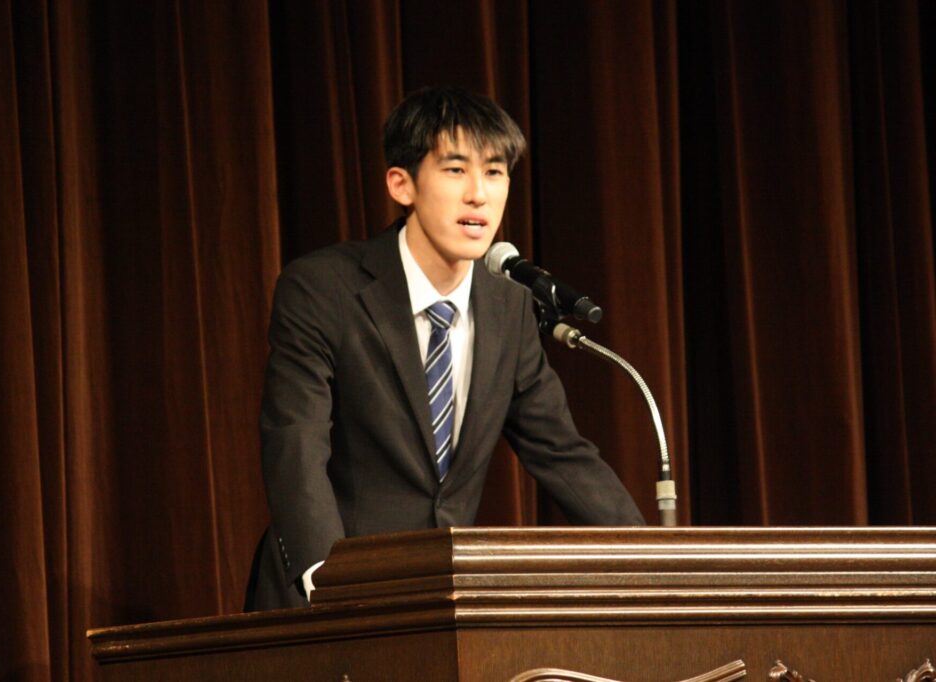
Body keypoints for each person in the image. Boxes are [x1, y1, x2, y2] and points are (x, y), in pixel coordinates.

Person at [244, 86, 644, 612]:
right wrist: (332, 578)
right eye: (456, 170)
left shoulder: (508, 307)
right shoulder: (324, 289)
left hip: (437, 604)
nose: (478, 194)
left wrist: (652, 563)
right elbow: (295, 440)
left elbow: (562, 454)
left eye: (494, 171)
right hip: (324, 596)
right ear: (402, 184)